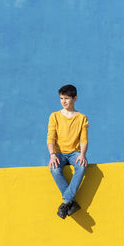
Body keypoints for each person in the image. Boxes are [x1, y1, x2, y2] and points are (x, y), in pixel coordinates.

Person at [47, 84, 89, 219]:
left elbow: (83, 139)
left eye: (67, 98)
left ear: (75, 98)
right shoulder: (54, 116)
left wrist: (82, 155)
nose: (64, 101)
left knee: (82, 167)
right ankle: (71, 202)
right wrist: (52, 155)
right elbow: (51, 137)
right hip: (58, 153)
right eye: (61, 98)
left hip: (74, 152)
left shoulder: (82, 118)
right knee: (54, 169)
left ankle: (66, 202)